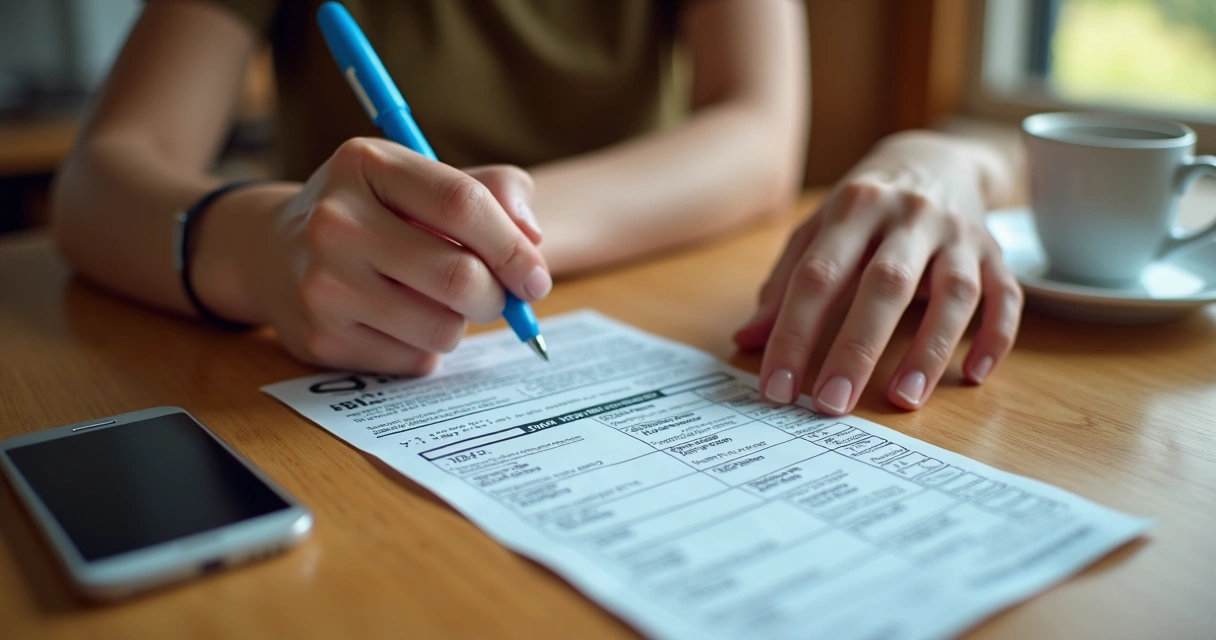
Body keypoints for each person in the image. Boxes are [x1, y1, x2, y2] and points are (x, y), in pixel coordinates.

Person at [50, 0, 1021, 417]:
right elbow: (100, 180)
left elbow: (760, 134)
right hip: (324, 354)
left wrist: (496, 226)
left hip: (613, 297)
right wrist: (263, 247)